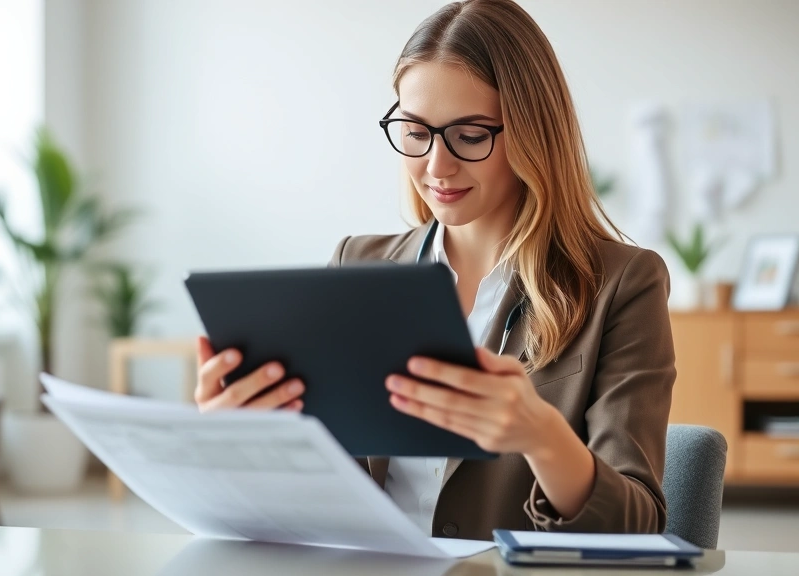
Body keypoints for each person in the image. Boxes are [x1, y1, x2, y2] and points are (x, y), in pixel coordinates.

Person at [193, 0, 675, 542]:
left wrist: (542, 437)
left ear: (533, 133)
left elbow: (639, 523)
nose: (436, 167)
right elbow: (319, 494)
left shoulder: (623, 284)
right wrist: (244, 439)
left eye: (470, 137)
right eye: (415, 132)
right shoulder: (358, 265)